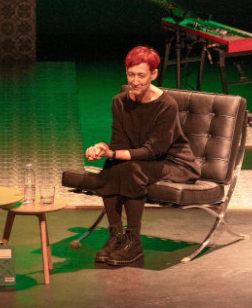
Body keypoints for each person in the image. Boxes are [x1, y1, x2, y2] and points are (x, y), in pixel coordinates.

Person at [85, 46, 200, 265]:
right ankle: (115, 236)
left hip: (174, 162)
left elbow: (154, 151)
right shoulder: (119, 102)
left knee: (132, 169)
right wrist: (103, 148)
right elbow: (118, 144)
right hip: (144, 160)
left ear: (154, 75)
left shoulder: (166, 105)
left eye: (141, 75)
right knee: (112, 165)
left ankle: (134, 241)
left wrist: (114, 152)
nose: (135, 81)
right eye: (131, 74)